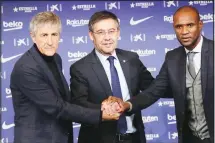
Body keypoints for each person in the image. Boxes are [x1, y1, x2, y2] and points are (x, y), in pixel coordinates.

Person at [10, 11, 119, 143]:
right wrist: (101, 114)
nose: (50, 41)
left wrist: (100, 107)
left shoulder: (56, 58)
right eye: (44, 35)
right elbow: (57, 107)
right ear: (33, 37)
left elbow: (65, 100)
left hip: (60, 137)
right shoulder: (26, 68)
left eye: (54, 34)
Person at [118, 5, 214, 143]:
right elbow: (153, 91)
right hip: (190, 137)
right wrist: (127, 105)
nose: (184, 31)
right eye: (179, 27)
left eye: (190, 25)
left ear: (200, 25)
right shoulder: (172, 57)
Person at [70, 10, 154, 143]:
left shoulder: (132, 59)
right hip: (99, 139)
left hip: (134, 138)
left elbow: (153, 88)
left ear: (118, 33)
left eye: (111, 31)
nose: (107, 37)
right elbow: (78, 105)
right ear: (91, 35)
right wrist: (103, 108)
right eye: (101, 32)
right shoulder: (80, 68)